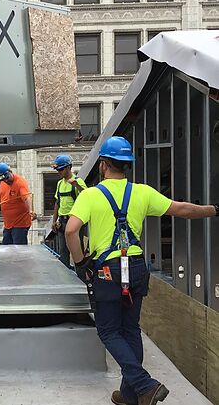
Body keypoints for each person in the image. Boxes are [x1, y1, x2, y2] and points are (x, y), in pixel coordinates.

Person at [65, 136, 219, 405]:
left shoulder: (91, 195)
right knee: (131, 329)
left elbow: (70, 230)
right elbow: (182, 209)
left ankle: (144, 384)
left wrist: (81, 264)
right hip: (136, 267)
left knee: (109, 331)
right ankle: (130, 394)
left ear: (102, 164)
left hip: (109, 270)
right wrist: (215, 210)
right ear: (127, 165)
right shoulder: (142, 192)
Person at [0, 163, 36, 245]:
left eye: (7, 178)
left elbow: (26, 198)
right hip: (8, 224)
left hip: (20, 224)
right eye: (2, 179)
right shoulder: (3, 182)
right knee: (6, 248)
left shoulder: (20, 182)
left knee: (18, 250)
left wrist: (31, 210)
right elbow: (0, 195)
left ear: (10, 171)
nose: (6, 180)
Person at [51, 155, 87, 267]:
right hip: (62, 222)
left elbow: (87, 196)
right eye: (57, 170)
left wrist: (77, 186)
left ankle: (82, 279)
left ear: (69, 167)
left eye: (61, 169)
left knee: (77, 252)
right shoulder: (60, 183)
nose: (59, 172)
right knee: (63, 252)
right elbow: (58, 202)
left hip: (74, 222)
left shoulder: (78, 181)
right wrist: (54, 221)